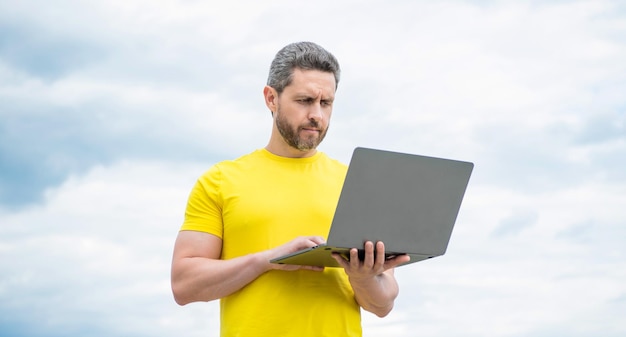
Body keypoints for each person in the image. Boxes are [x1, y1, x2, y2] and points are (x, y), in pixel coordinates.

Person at [170, 41, 410, 337]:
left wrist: (361, 277)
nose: (317, 115)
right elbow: (184, 285)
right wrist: (270, 260)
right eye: (304, 100)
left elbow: (383, 304)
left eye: (326, 103)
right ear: (271, 98)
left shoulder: (357, 185)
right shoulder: (220, 180)